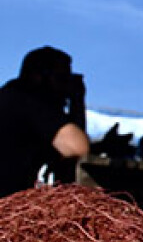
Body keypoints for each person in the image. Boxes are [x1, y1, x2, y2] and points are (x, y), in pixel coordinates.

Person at [0, 46, 91, 198]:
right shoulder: (26, 100)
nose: (66, 88)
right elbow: (76, 147)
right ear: (38, 77)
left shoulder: (11, 96)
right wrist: (77, 100)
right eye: (62, 79)